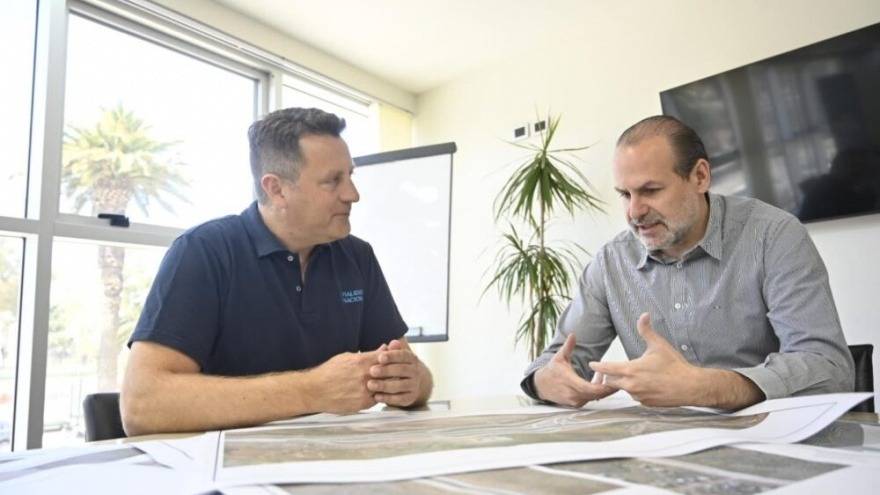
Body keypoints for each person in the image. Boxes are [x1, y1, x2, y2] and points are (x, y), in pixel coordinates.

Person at [121, 108, 433, 435]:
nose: (352, 194)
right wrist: (312, 390)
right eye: (332, 181)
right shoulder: (203, 251)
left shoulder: (357, 257)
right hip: (228, 462)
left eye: (350, 176)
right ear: (276, 189)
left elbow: (416, 378)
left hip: (331, 455)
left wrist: (413, 383)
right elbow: (142, 406)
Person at [521, 115, 853, 410]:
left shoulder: (773, 236)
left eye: (651, 190)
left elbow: (828, 368)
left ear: (700, 176)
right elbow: (555, 361)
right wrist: (547, 382)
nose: (634, 211)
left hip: (770, 436)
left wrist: (703, 388)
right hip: (665, 445)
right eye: (625, 194)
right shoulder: (611, 262)